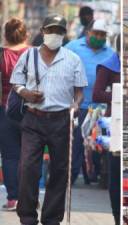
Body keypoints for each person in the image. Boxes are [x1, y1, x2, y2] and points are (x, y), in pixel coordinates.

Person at [10, 14, 87, 225]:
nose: (55, 34)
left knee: (60, 171)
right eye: (51, 30)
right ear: (43, 31)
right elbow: (16, 82)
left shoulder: (72, 59)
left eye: (60, 31)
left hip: (61, 120)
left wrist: (76, 104)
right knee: (27, 168)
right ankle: (27, 216)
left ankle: (52, 218)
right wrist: (26, 94)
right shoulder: (28, 55)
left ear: (64, 34)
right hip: (33, 119)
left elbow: (79, 91)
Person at [65, 19, 115, 185]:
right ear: (88, 32)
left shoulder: (111, 53)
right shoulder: (73, 47)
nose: (99, 37)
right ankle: (69, 179)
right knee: (76, 145)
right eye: (96, 33)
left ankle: (100, 176)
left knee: (100, 145)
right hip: (79, 106)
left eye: (102, 35)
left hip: (101, 110)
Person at [0, 18, 29, 211]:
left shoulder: (1, 55)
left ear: (5, 35)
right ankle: (29, 198)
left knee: (10, 156)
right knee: (31, 155)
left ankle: (13, 199)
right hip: (32, 109)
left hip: (6, 109)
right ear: (25, 34)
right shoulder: (35, 54)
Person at [92, 34, 121, 225]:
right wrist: (118, 96)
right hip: (115, 122)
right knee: (115, 171)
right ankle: (116, 216)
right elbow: (97, 93)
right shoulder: (108, 65)